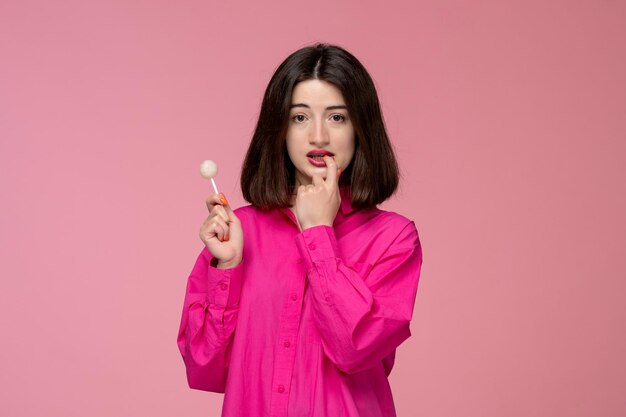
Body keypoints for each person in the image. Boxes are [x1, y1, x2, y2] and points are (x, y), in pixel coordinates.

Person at [177, 43, 424, 417]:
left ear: (361, 128)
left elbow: (356, 347)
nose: (319, 136)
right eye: (300, 118)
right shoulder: (239, 233)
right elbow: (205, 369)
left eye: (337, 117)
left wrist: (318, 233)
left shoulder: (393, 238)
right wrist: (228, 268)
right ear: (279, 129)